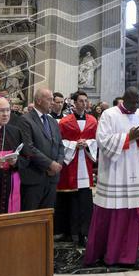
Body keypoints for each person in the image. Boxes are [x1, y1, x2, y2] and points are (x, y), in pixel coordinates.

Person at [83, 88, 139, 268]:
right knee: (110, 211)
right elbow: (102, 140)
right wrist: (128, 137)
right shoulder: (109, 115)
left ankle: (127, 255)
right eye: (131, 103)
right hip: (114, 173)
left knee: (131, 213)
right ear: (124, 100)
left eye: (137, 103)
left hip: (134, 170)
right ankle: (106, 252)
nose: (134, 107)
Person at [56, 91, 98, 244]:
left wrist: (88, 144)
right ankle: (70, 231)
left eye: (86, 101)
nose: (84, 104)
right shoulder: (64, 122)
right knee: (71, 200)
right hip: (70, 165)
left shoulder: (93, 121)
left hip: (85, 163)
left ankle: (85, 231)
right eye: (81, 101)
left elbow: (96, 140)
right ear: (74, 102)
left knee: (85, 199)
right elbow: (59, 143)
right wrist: (74, 144)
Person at [16, 87, 65, 211]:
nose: (52, 103)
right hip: (34, 177)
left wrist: (58, 164)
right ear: (38, 101)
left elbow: (60, 145)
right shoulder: (25, 120)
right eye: (49, 99)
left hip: (52, 177)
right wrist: (50, 164)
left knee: (47, 217)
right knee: (31, 218)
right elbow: (28, 148)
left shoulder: (52, 121)